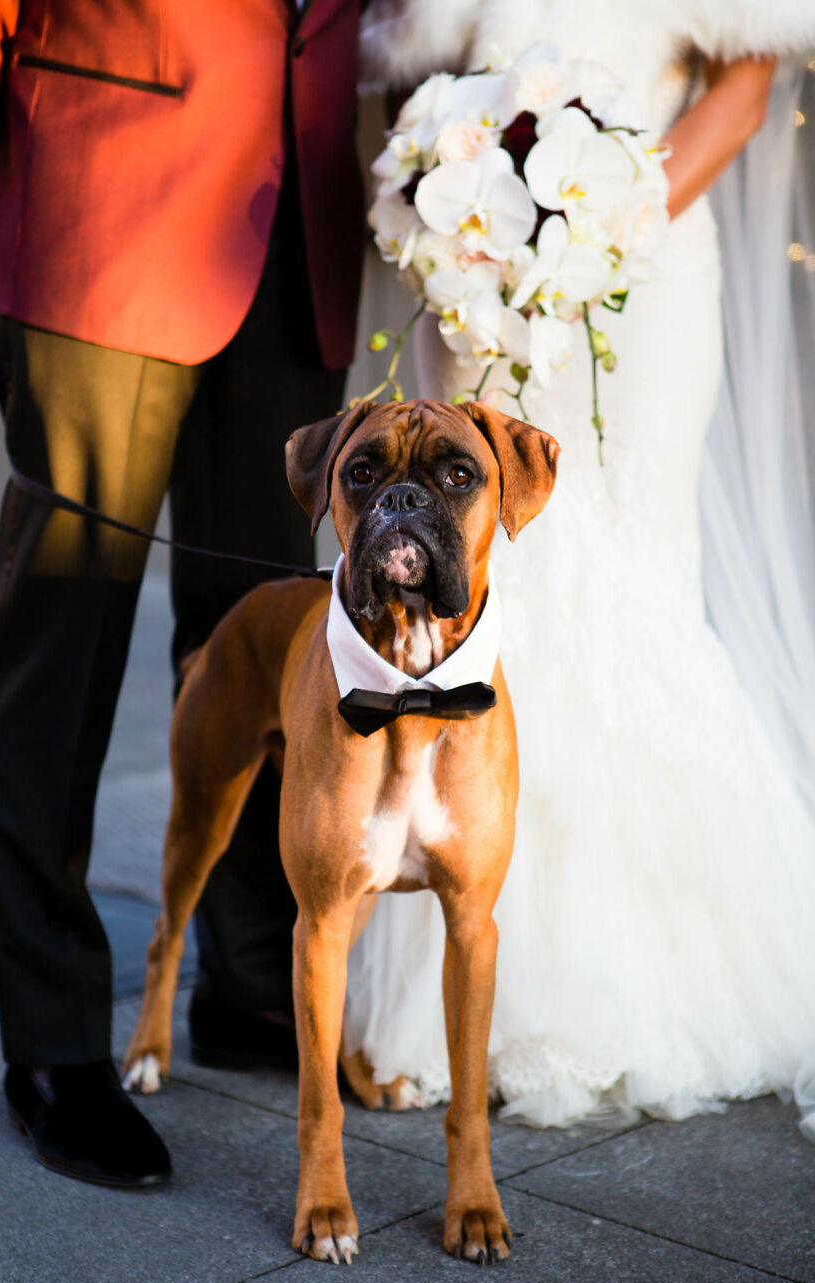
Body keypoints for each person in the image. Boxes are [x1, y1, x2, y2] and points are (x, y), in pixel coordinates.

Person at [344, 0, 815, 1127]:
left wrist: (592, 234)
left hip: (640, 283)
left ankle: (656, 982)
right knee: (496, 598)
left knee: (630, 579)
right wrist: (464, 227)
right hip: (477, 294)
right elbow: (417, 81)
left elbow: (741, 94)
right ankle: (464, 989)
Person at [0, 0, 364, 1185]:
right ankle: (54, 1040)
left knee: (269, 642)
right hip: (101, 200)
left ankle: (245, 975)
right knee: (62, 647)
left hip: (297, 236)